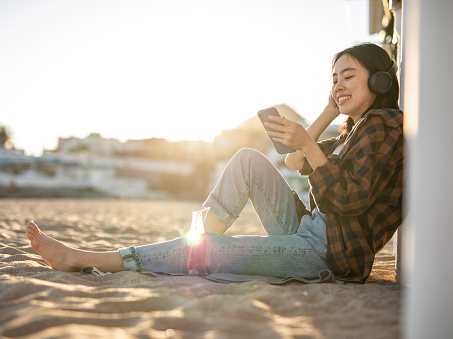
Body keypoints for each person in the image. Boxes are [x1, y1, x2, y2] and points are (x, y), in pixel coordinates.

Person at [26, 43, 403, 283]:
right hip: (314, 230)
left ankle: (88, 259)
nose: (338, 84)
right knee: (248, 161)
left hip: (331, 252)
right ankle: (195, 246)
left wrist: (308, 140)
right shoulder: (357, 129)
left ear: (382, 81)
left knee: (213, 251)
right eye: (333, 78)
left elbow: (351, 199)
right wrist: (327, 109)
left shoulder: (383, 126)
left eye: (348, 76)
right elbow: (295, 158)